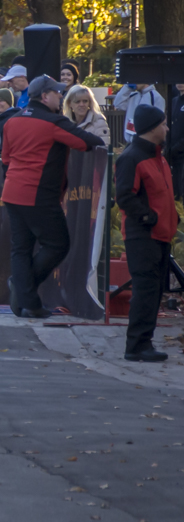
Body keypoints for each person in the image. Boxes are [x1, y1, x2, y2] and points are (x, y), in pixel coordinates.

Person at [1, 75, 106, 318]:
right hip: (38, 193)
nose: (61, 96)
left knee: (21, 248)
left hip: (12, 191)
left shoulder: (12, 121)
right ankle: (24, 291)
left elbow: (6, 159)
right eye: (58, 93)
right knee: (58, 244)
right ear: (45, 96)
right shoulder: (53, 122)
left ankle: (27, 298)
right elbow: (87, 142)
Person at [114, 105, 177, 362]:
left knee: (152, 290)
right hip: (143, 235)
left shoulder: (158, 155)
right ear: (152, 128)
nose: (167, 128)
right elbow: (125, 195)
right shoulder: (132, 157)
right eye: (163, 124)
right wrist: (148, 217)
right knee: (145, 289)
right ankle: (137, 345)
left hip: (159, 233)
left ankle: (143, 342)